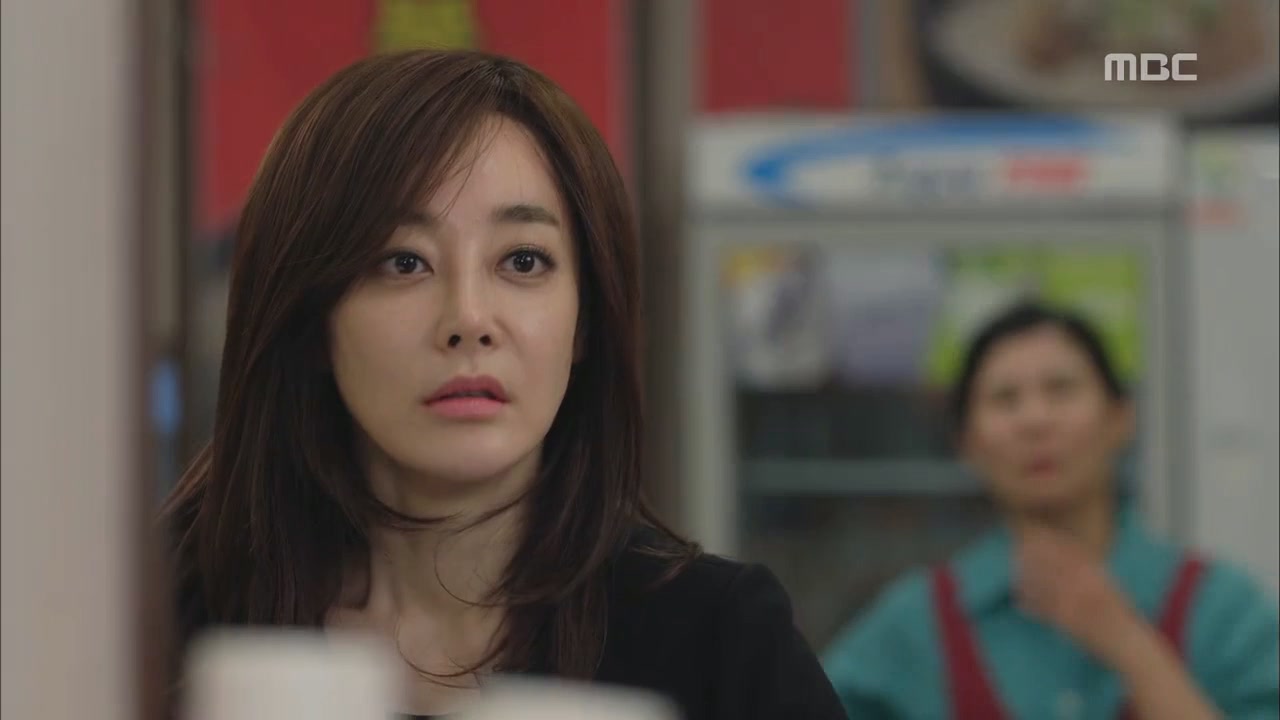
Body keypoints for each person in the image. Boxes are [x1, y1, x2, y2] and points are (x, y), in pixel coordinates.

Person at [160, 49, 845, 720]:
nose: (468, 320)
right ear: (310, 320)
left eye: (522, 261)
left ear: (585, 321)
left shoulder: (721, 642)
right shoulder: (164, 618)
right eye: (403, 262)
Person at [823, 302, 1279, 720]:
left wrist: (1127, 643)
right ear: (967, 443)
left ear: (1120, 418)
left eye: (1061, 390)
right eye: (1005, 399)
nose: (1035, 420)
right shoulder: (914, 626)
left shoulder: (1224, 613)